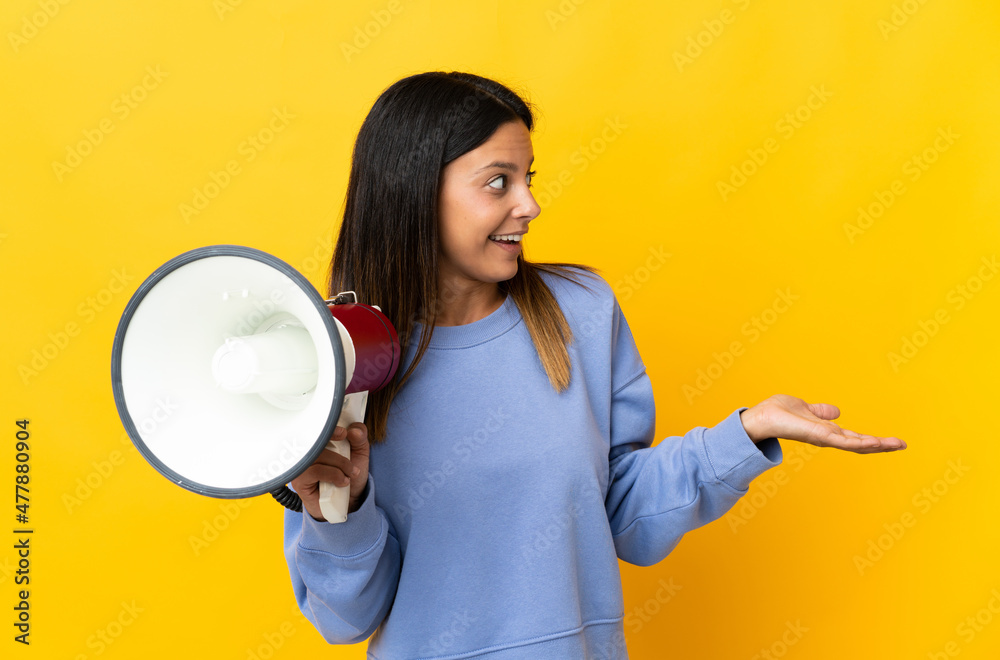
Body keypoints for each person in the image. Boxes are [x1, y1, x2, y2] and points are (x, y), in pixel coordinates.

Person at [282, 71, 906, 659]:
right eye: (498, 181)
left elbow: (623, 514)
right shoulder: (335, 356)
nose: (530, 204)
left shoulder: (580, 312)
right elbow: (344, 618)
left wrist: (746, 433)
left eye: (529, 177)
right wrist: (342, 506)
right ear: (413, 191)